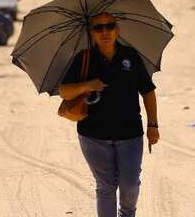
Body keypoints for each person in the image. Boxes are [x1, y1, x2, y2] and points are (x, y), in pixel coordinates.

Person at [59, 12, 158, 217]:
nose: (105, 32)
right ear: (92, 33)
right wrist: (86, 85)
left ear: (117, 30)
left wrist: (153, 126)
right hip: (93, 135)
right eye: (98, 28)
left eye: (109, 26)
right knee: (106, 186)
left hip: (130, 133)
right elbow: (64, 91)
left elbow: (148, 90)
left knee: (130, 184)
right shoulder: (84, 58)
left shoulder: (130, 56)